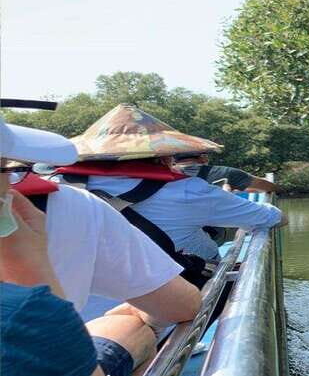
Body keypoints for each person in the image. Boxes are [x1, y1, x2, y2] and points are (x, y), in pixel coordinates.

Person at [0, 114, 201, 376]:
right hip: (69, 347)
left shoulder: (66, 193)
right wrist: (36, 278)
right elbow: (182, 306)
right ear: (163, 159)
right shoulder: (70, 205)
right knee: (131, 324)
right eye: (6, 167)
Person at [58, 104, 286, 263]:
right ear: (166, 157)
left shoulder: (55, 186)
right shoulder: (187, 191)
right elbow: (275, 218)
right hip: (174, 303)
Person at [174, 153, 282, 194]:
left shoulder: (165, 175)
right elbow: (267, 186)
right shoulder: (226, 172)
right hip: (213, 231)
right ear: (203, 157)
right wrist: (278, 189)